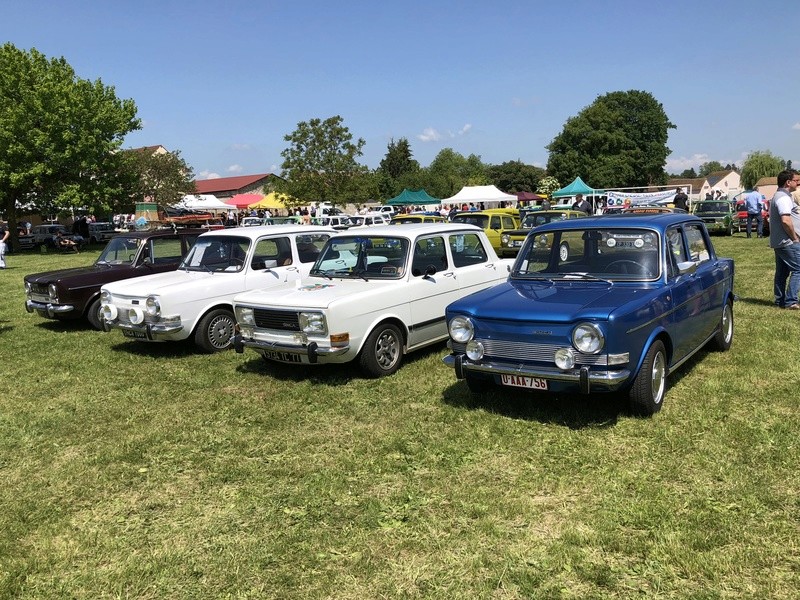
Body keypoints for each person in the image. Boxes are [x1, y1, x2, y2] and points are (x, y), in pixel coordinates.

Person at [768, 169, 800, 309]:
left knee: (782, 272)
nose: (798, 183)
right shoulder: (783, 198)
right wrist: (794, 238)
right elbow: (786, 220)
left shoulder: (780, 196)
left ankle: (780, 300)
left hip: (780, 241)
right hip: (787, 241)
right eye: (796, 180)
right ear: (788, 182)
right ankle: (791, 301)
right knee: (799, 269)